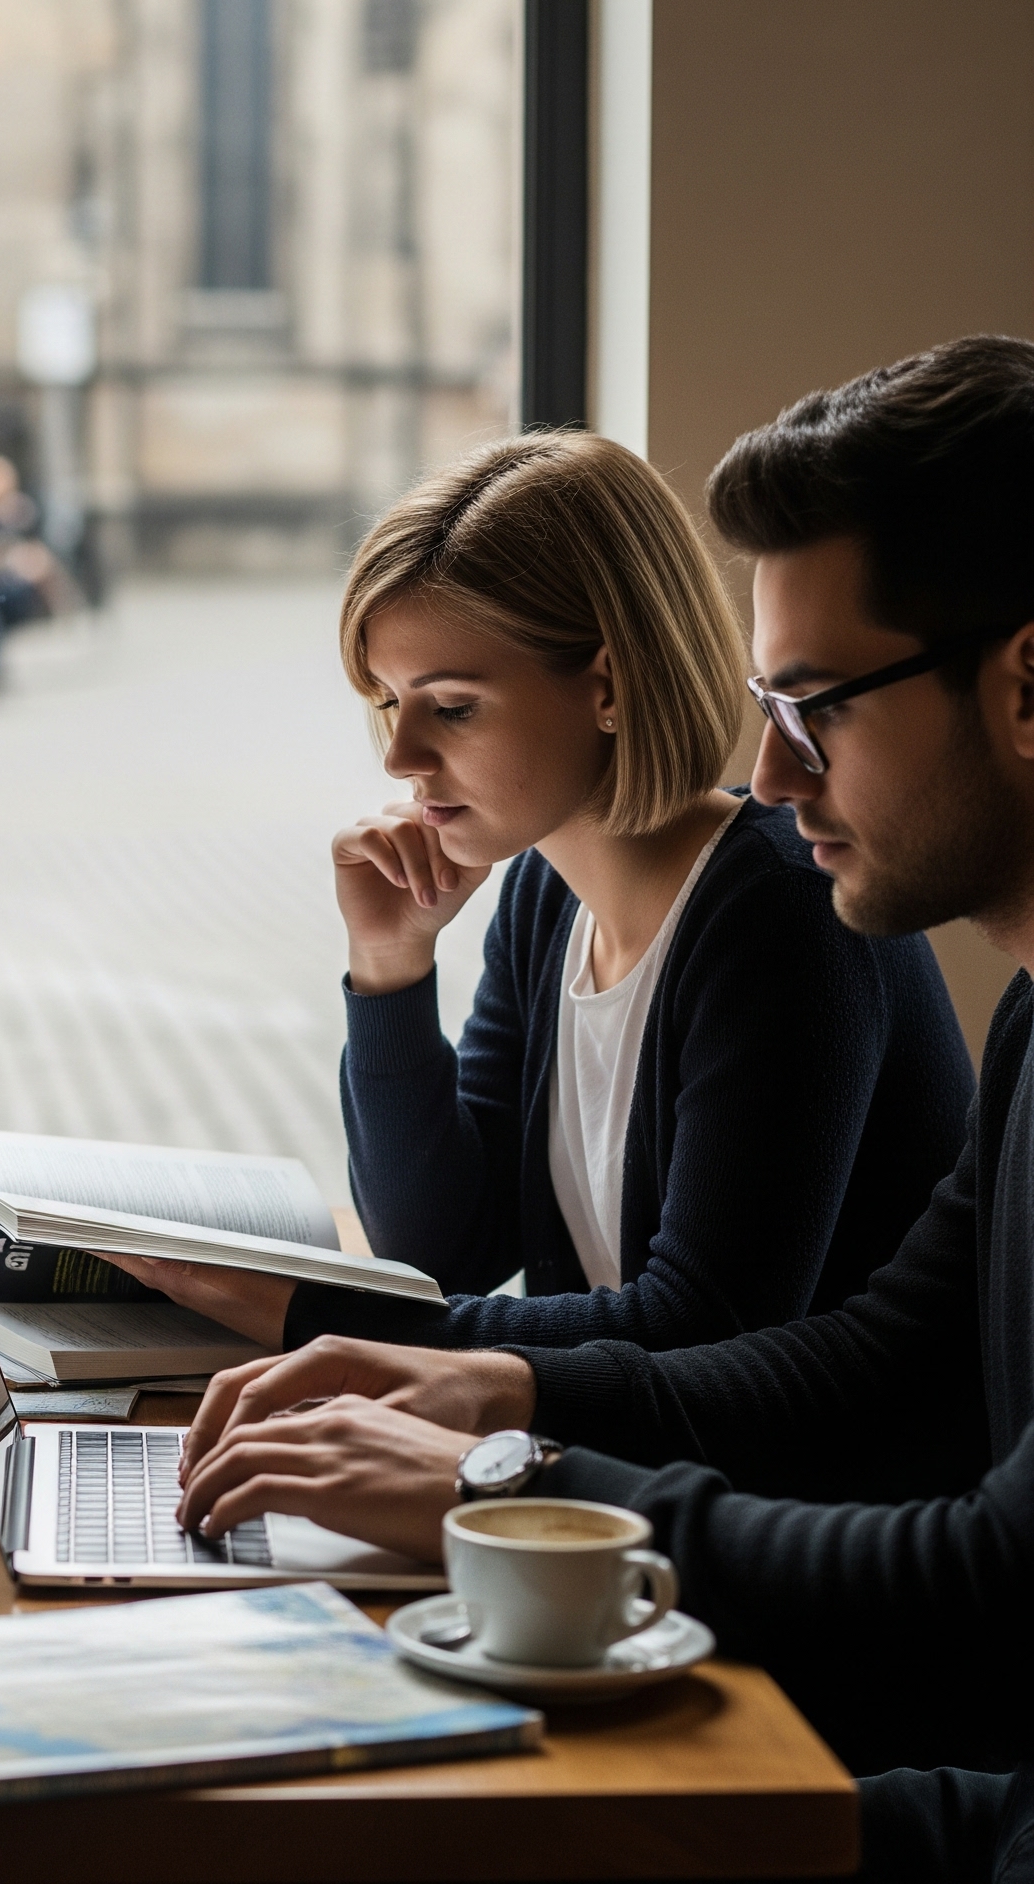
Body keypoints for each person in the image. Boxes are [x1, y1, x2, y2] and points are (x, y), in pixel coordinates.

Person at [170, 335, 1034, 1878]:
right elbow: (875, 1351)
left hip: (850, 1658)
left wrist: (501, 1457)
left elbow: (957, 1553)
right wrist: (495, 1392)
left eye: (820, 707)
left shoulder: (776, 912)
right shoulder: (1027, 1015)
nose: (777, 775)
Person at [119, 431, 970, 1359]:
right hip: (608, 1451)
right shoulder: (545, 898)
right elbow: (445, 1249)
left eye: (453, 707)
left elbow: (701, 1330)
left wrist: (311, 1315)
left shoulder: (784, 910)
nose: (400, 757)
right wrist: (390, 966)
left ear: (608, 685)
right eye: (389, 702)